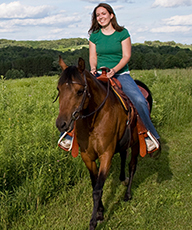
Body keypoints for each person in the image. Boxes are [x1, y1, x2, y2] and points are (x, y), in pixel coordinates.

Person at [59, 3, 160, 153]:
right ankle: (69, 135)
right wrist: (93, 68)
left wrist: (114, 70)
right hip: (99, 74)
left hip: (120, 74)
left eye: (103, 14)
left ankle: (149, 135)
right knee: (80, 98)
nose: (100, 17)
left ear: (111, 15)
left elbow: (126, 56)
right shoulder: (94, 36)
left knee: (139, 100)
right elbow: (93, 57)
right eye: (97, 15)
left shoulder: (122, 33)